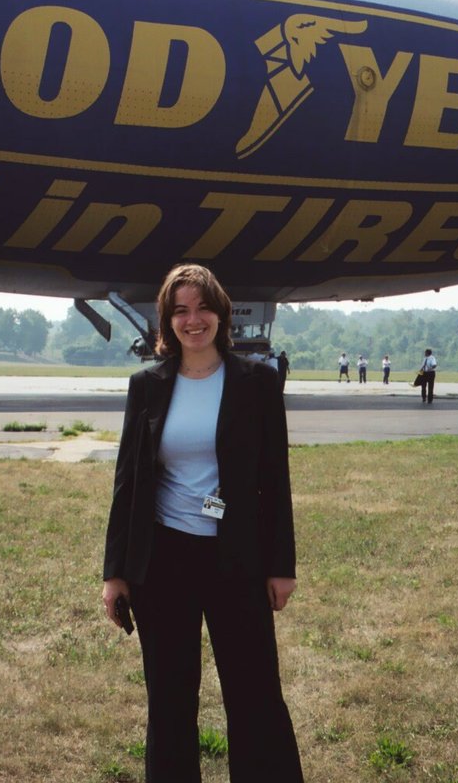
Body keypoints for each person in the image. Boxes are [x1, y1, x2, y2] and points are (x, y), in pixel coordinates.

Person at [101, 263, 303, 782]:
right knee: (169, 699)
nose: (194, 320)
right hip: (164, 559)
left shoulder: (256, 382)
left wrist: (281, 565)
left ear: (221, 312)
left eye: (203, 307)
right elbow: (128, 484)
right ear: (167, 321)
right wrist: (115, 572)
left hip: (236, 555)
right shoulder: (147, 384)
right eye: (181, 310)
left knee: (255, 692)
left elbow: (274, 479)